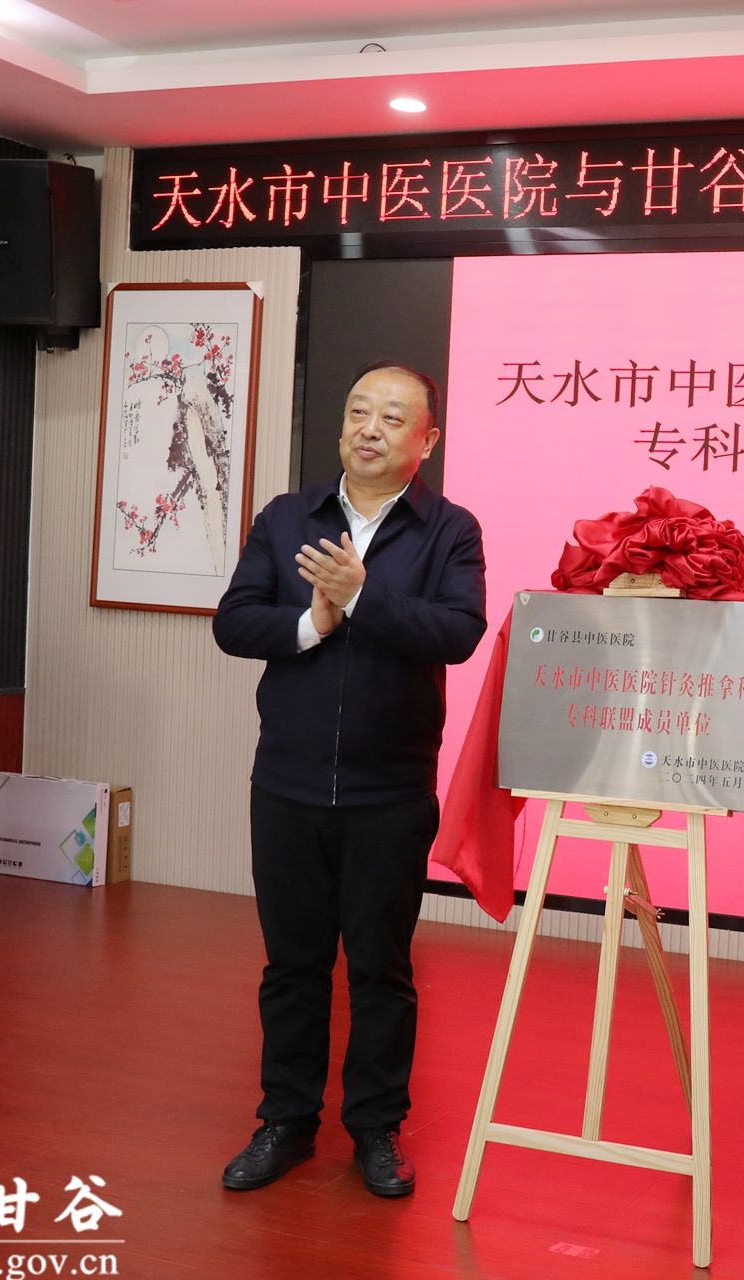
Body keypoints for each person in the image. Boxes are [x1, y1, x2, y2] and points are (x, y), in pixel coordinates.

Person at [212, 362, 486, 1198]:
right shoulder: (287, 517)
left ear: (427, 440)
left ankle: (376, 1127)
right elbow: (234, 621)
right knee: (292, 965)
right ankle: (286, 1120)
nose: (370, 428)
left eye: (392, 417)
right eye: (359, 411)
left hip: (390, 790)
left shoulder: (450, 530)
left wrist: (364, 598)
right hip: (286, 782)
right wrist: (312, 621)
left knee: (381, 967)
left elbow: (459, 631)